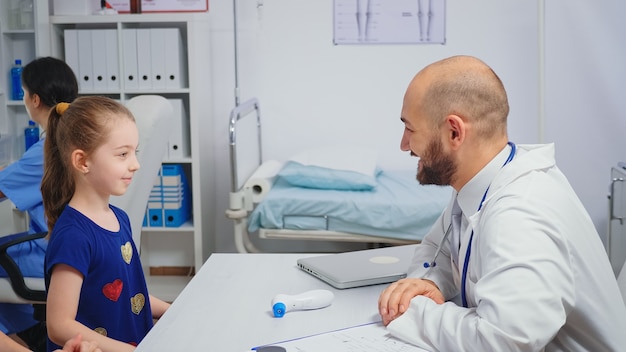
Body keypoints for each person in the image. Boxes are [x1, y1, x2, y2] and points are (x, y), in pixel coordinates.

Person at [377, 55, 626, 350]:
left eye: (410, 129)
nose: (404, 144)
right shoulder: (482, 181)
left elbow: (501, 341)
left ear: (454, 132)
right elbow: (437, 248)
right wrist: (429, 283)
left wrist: (412, 312)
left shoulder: (520, 213)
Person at [41, 97, 170, 352]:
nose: (135, 164)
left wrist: (174, 310)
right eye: (123, 154)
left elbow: (131, 294)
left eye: (135, 152)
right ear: (82, 162)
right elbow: (58, 325)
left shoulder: (119, 218)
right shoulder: (74, 236)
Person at [0, 57, 78, 352]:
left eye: (23, 93)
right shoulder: (69, 137)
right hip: (68, 245)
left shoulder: (47, 149)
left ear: (34, 99)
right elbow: (14, 175)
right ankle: (33, 337)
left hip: (51, 252)